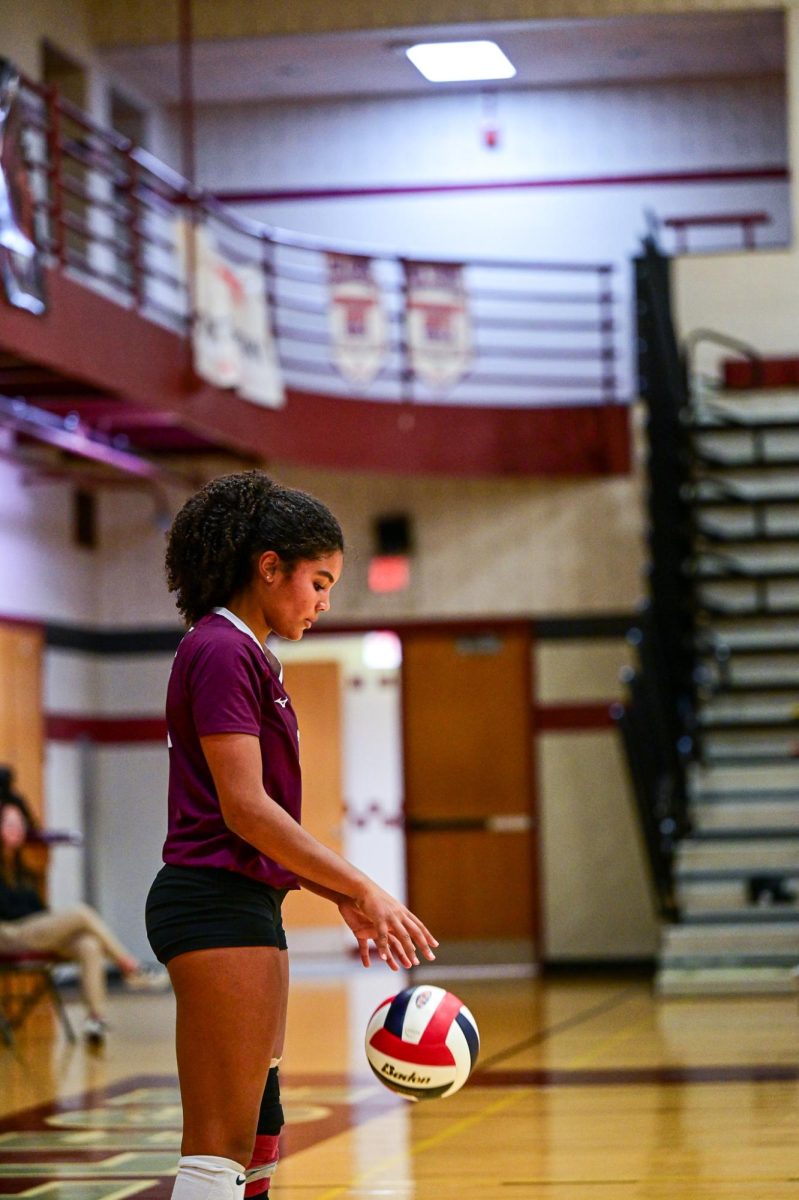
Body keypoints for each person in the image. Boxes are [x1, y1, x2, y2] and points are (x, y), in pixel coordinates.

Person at [145, 471, 437, 1200]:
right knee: (217, 1146)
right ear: (267, 566)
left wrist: (336, 891)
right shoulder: (218, 649)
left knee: (261, 1129)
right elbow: (244, 809)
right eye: (318, 580)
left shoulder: (251, 655)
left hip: (246, 903)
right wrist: (358, 884)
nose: (324, 602)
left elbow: (259, 821)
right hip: (212, 902)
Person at [0, 770, 169, 1046]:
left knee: (88, 945)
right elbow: (10, 909)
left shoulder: (21, 863)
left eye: (19, 824)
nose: (17, 830)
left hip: (26, 928)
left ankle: (95, 1020)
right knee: (80, 913)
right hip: (6, 933)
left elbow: (32, 905)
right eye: (9, 824)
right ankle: (131, 968)